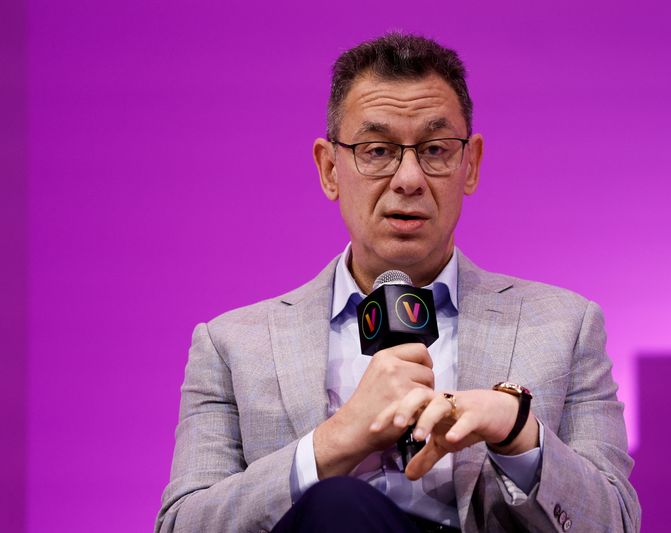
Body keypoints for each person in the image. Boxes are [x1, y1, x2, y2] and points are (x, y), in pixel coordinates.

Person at [155, 32, 640, 533]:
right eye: (378, 150)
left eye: (434, 149)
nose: (409, 178)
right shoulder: (232, 345)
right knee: (338, 505)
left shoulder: (566, 326)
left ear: (469, 165)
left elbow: (617, 523)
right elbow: (182, 525)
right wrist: (335, 442)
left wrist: (518, 434)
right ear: (329, 169)